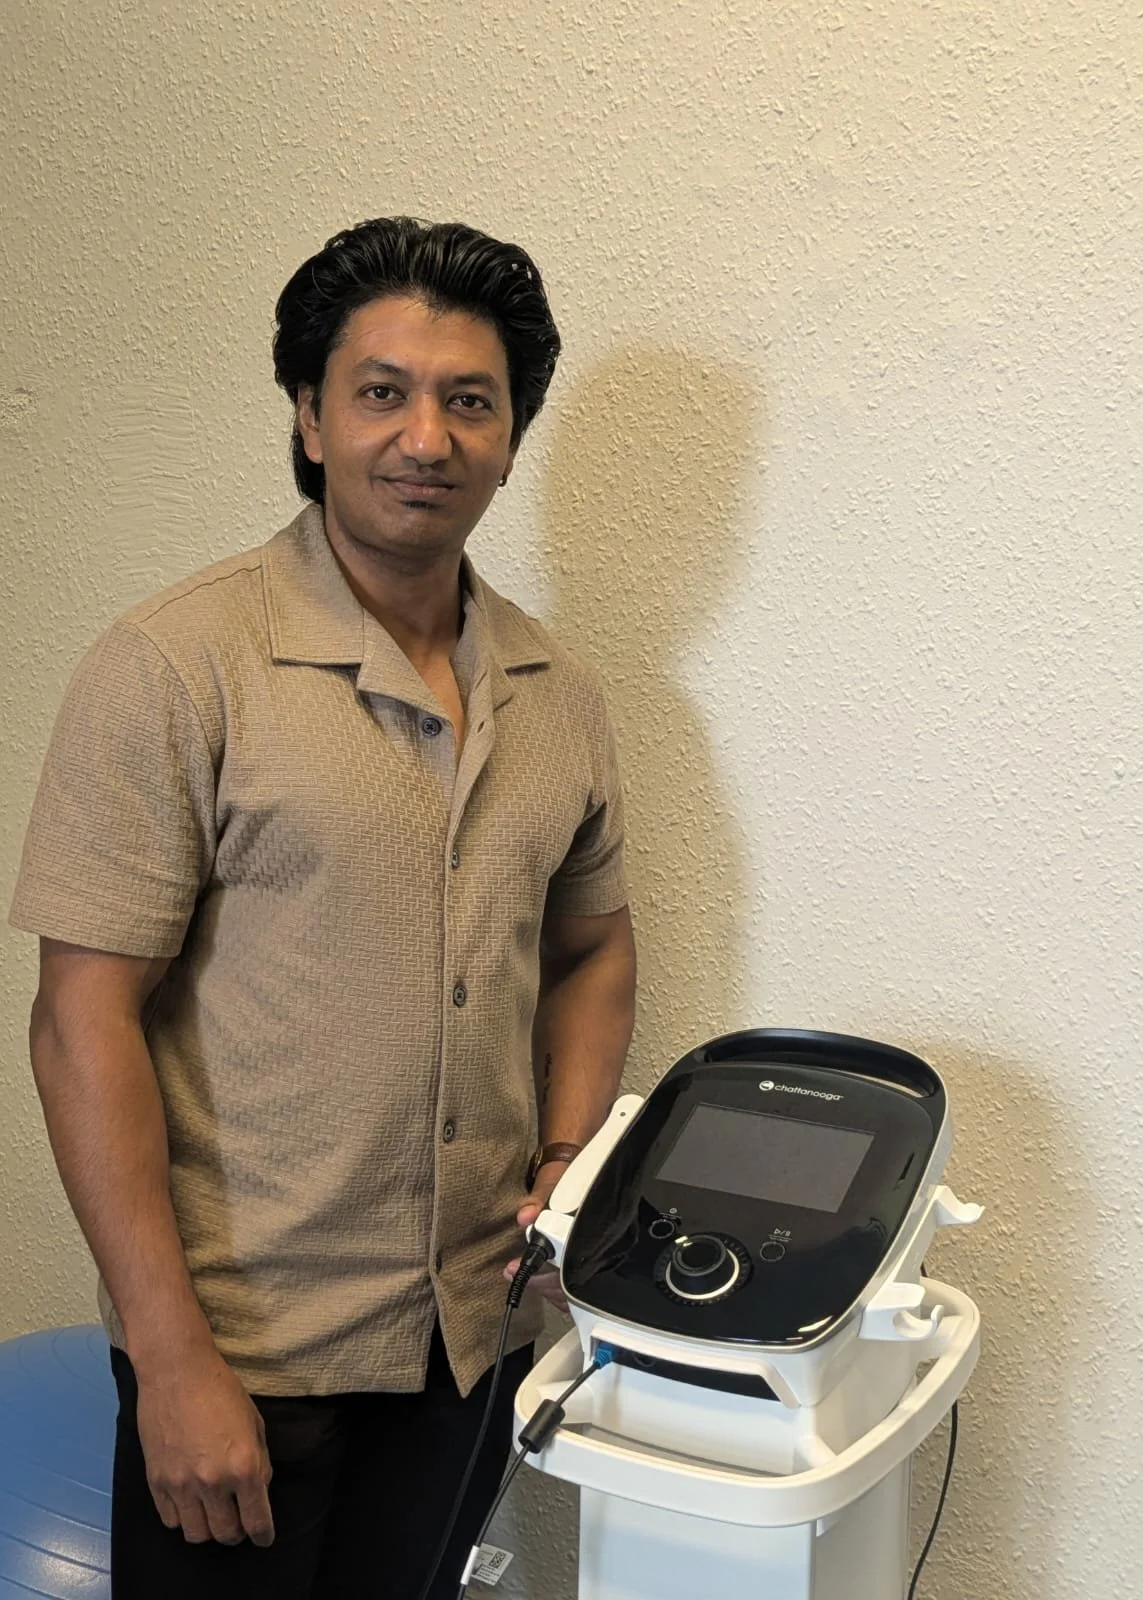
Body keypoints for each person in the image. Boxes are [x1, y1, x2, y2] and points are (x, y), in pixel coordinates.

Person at [9, 216, 637, 1599]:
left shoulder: (558, 695)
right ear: (308, 419)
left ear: (511, 435)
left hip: (468, 1341)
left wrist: (565, 1157)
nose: (428, 436)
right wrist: (169, 1359)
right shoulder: (178, 664)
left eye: (470, 401)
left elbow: (592, 945)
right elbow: (80, 1020)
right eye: (381, 393)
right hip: (244, 1350)